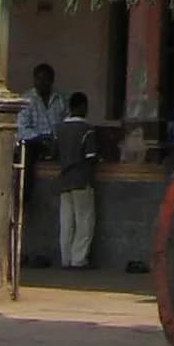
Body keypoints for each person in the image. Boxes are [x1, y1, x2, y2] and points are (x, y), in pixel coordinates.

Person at [56, 91, 98, 270]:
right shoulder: (87, 129)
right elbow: (91, 156)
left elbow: (53, 152)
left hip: (64, 180)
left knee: (66, 222)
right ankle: (78, 259)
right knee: (84, 221)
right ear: (83, 107)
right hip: (81, 179)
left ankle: (65, 259)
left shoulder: (60, 128)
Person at [16, 63, 66, 165]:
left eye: (46, 79)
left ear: (52, 81)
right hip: (33, 145)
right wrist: (40, 138)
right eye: (39, 79)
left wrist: (55, 139)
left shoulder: (60, 99)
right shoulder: (26, 99)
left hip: (56, 144)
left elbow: (65, 123)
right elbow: (21, 129)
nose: (42, 83)